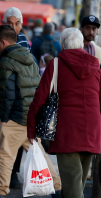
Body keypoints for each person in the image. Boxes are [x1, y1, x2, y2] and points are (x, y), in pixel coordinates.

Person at [27, 27, 101, 198]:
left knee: (73, 188)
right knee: (75, 185)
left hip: (68, 131)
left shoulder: (56, 64)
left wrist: (31, 128)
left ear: (62, 45)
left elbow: (40, 98)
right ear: (81, 44)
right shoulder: (95, 65)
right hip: (92, 129)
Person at [0, 25, 61, 198]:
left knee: (4, 157)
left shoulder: (6, 62)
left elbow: (7, 94)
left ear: (4, 41)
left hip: (14, 117)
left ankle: (0, 192)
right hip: (31, 117)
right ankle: (57, 188)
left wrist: (4, 119)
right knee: (39, 154)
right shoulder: (30, 57)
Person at [0, 7, 33, 189]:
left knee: (20, 136)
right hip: (6, 97)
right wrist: (1, 96)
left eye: (17, 23)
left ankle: (6, 169)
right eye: (9, 23)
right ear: (3, 23)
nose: (13, 27)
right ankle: (9, 176)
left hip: (23, 98)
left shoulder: (24, 41)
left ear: (21, 25)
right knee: (11, 135)